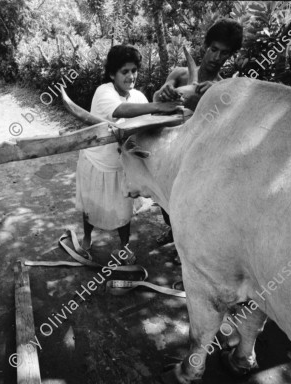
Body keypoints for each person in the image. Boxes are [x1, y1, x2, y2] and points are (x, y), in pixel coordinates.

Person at [76, 45, 180, 262]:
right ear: (112, 74)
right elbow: (121, 111)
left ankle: (124, 247)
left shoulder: (139, 96)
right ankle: (86, 237)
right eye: (125, 71)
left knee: (123, 212)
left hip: (122, 165)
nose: (131, 76)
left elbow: (148, 122)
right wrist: (160, 106)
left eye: (134, 70)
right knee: (91, 205)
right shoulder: (103, 92)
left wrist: (171, 111)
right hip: (97, 162)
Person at [152, 18, 243, 248]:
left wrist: (215, 97)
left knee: (193, 205)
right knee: (167, 200)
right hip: (172, 151)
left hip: (200, 158)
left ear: (230, 55)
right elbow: (157, 101)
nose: (216, 57)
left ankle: (187, 247)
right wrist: (162, 94)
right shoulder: (180, 74)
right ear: (206, 47)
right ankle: (173, 231)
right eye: (213, 49)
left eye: (224, 53)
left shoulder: (224, 88)